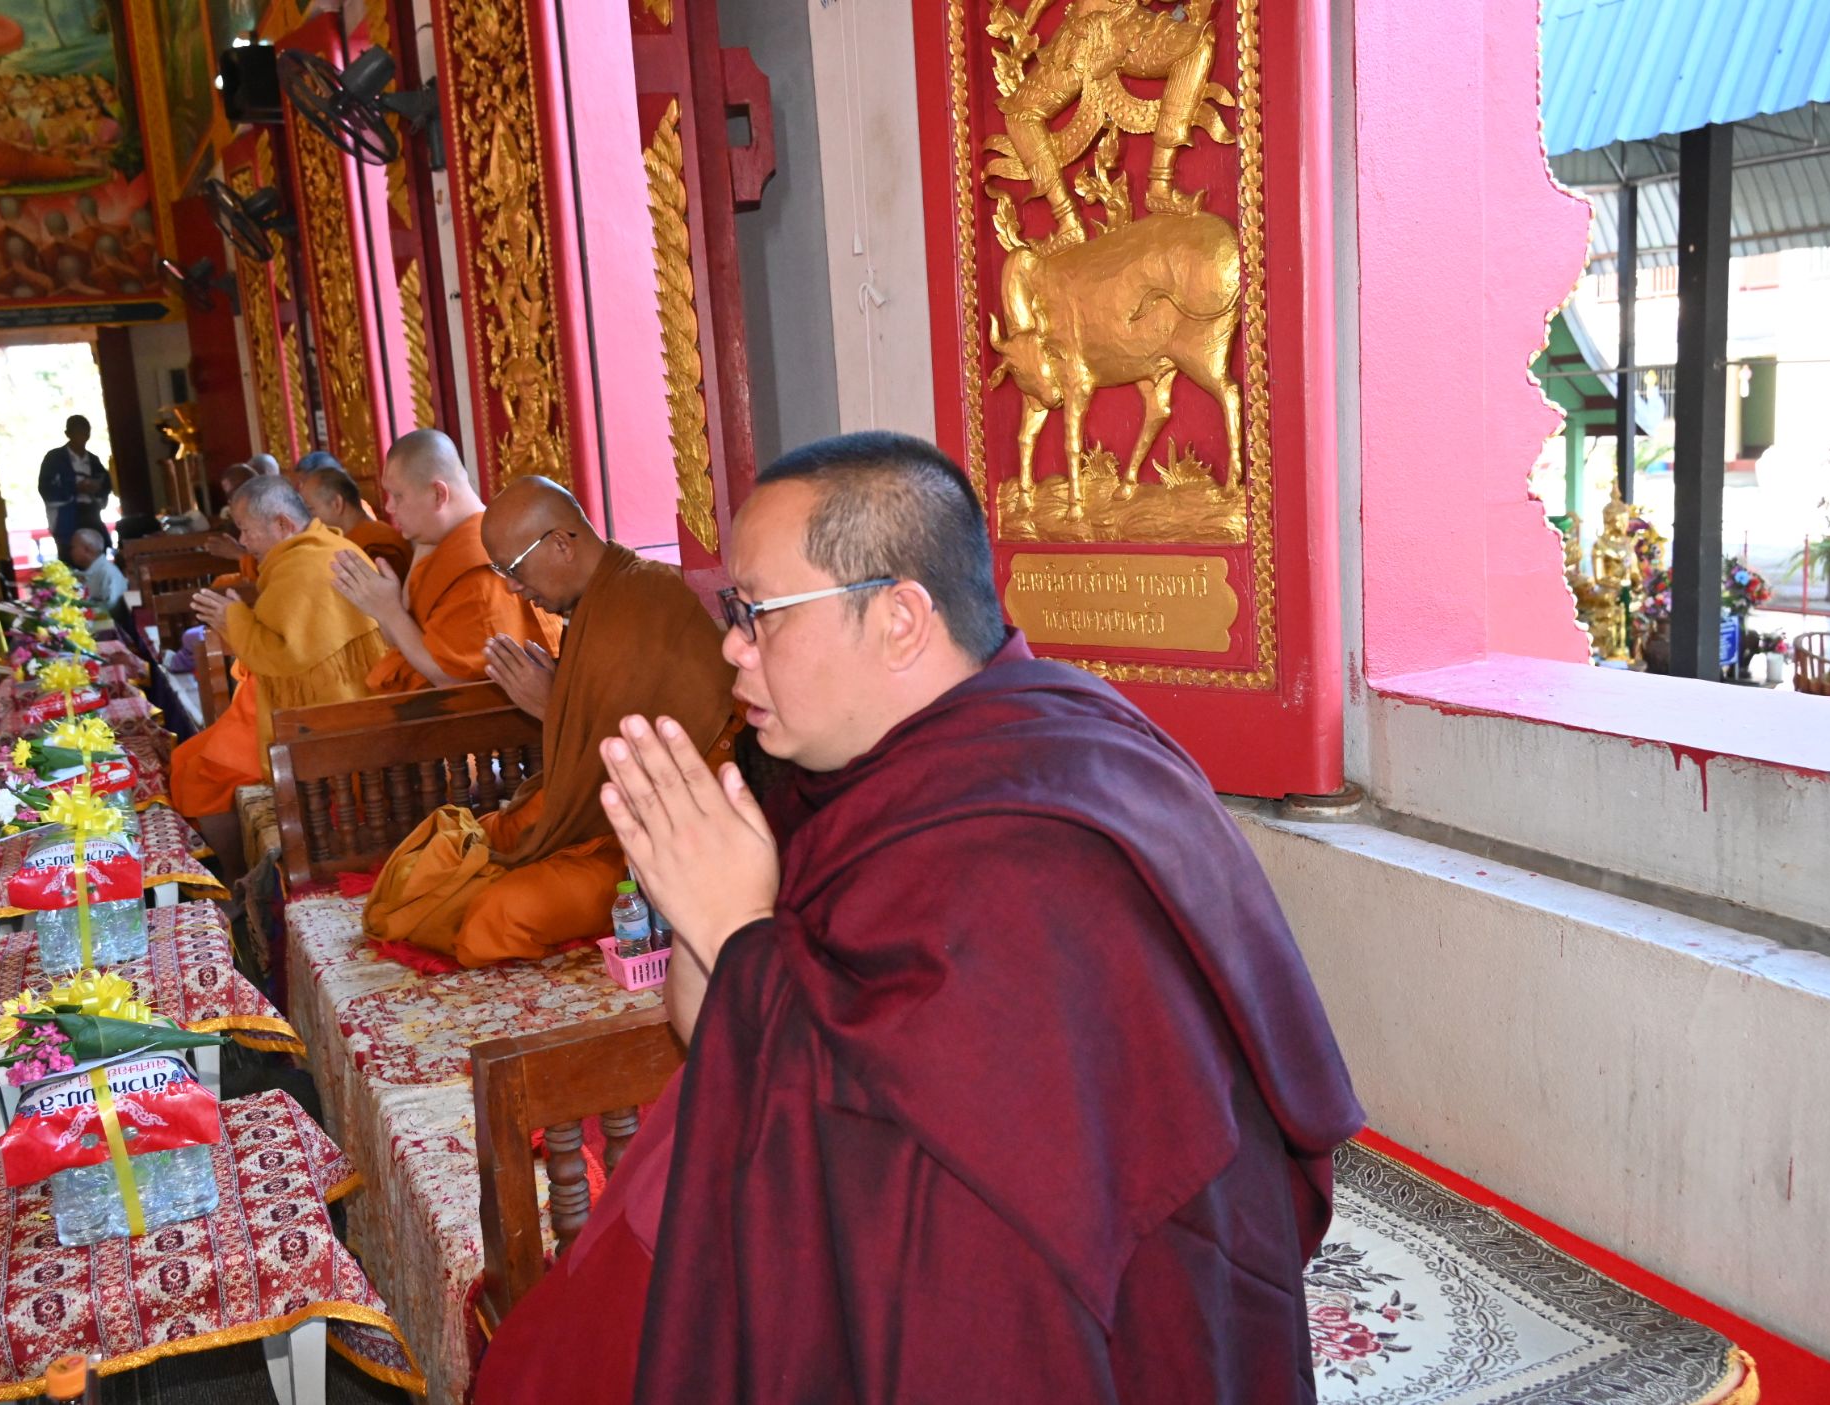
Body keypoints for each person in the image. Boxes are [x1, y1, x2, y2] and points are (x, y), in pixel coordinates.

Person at [474, 433, 1362, 1404]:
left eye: (757, 613)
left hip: (1061, 1314)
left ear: (899, 619)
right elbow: (721, 1027)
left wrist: (739, 937)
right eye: (734, 612)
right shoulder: (859, 774)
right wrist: (704, 910)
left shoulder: (1032, 856)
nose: (730, 645)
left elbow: (925, 1189)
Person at [362, 475, 733, 968]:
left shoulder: (642, 600)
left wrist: (552, 706)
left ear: (561, 543)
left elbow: (646, 760)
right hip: (601, 809)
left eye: (514, 569)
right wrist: (560, 707)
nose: (511, 586)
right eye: (502, 571)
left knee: (497, 915)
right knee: (483, 836)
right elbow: (598, 739)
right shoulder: (598, 598)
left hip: (658, 839)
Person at [167, 476, 390, 856]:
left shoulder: (304, 568)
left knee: (198, 775)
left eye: (246, 530)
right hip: (313, 702)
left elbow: (282, 658)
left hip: (321, 722)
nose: (243, 542)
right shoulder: (321, 548)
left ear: (283, 524)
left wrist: (232, 618)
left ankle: (238, 875)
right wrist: (233, 620)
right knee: (184, 758)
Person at [326, 429, 558, 694]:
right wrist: (384, 607)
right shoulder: (439, 544)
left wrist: (390, 611)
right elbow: (405, 640)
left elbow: (454, 680)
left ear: (438, 494)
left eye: (397, 496)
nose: (388, 507)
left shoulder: (479, 565)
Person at [292, 455, 412, 572]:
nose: (307, 519)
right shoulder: (352, 539)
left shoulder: (377, 548)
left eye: (310, 509)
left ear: (337, 504)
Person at [36, 414, 110, 550]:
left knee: (97, 550)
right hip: (65, 517)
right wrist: (74, 488)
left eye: (85, 433)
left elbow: (106, 485)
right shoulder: (54, 458)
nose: (81, 437)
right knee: (70, 553)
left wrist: (96, 489)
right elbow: (46, 489)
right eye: (77, 432)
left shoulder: (93, 460)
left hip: (91, 514)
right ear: (68, 434)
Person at [66, 526, 127, 616]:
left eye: (73, 547)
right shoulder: (93, 570)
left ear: (87, 549)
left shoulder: (108, 572)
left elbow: (110, 606)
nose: (70, 552)